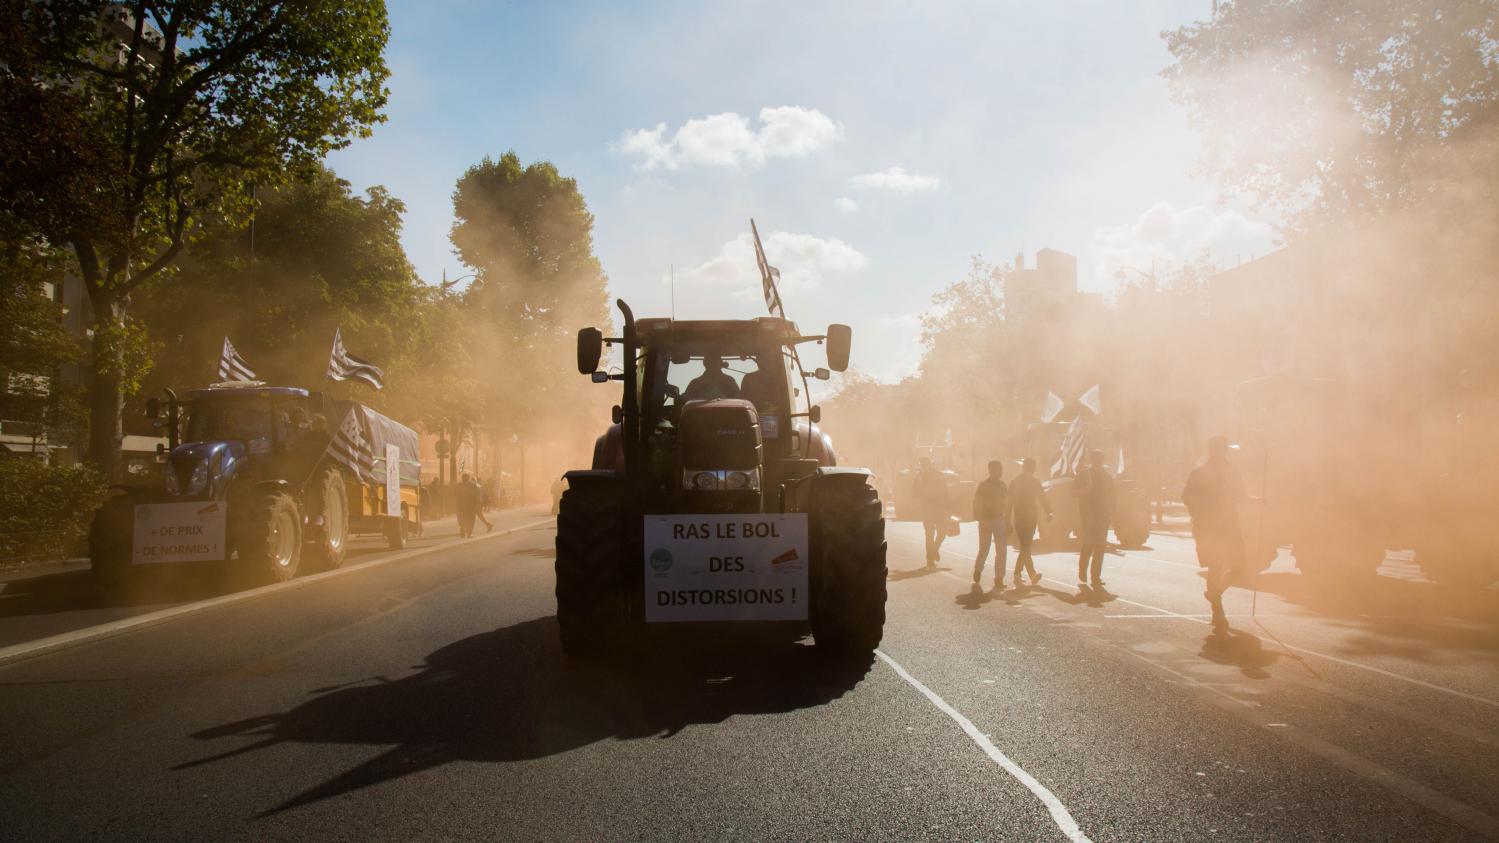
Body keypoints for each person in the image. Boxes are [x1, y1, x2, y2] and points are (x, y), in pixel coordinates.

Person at [1182, 436, 1250, 633]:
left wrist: (1257, 500)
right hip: (1209, 527)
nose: (1221, 452)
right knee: (1215, 567)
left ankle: (1215, 593)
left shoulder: (1232, 472)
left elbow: (1241, 495)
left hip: (1229, 525)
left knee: (1239, 566)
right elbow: (1187, 496)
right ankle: (1217, 611)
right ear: (1212, 450)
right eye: (1218, 448)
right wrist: (1202, 510)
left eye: (1223, 449)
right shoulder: (1200, 473)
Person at [1073, 448, 1116, 589]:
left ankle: (1095, 576)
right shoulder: (1084, 475)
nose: (1098, 462)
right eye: (1096, 459)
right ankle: (1083, 571)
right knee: (1088, 544)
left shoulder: (1107, 477)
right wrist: (1086, 489)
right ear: (1092, 460)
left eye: (1100, 459)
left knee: (1100, 546)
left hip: (1102, 516)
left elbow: (1112, 497)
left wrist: (1111, 513)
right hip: (1088, 516)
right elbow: (1073, 492)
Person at [1007, 458, 1052, 585]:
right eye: (1032, 467)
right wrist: (1007, 520)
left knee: (1026, 546)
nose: (1033, 469)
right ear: (1028, 468)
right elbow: (1009, 502)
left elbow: (1042, 497)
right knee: (1026, 545)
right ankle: (1022, 573)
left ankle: (1027, 573)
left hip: (1031, 518)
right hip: (1021, 517)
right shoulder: (1016, 482)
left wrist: (1049, 511)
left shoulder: (1033, 482)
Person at [971, 460, 1008, 590]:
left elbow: (1006, 503)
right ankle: (978, 570)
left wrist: (1007, 520)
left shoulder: (1003, 485)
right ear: (991, 470)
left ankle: (999, 578)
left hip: (999, 520)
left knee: (1001, 551)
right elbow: (977, 502)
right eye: (999, 469)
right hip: (986, 521)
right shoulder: (984, 486)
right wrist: (979, 518)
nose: (1001, 472)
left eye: (1001, 469)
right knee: (984, 549)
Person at [915, 457, 951, 567]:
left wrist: (948, 506)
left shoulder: (938, 474)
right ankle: (930, 558)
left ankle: (933, 550)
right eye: (924, 464)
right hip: (928, 508)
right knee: (930, 534)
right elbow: (915, 492)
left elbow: (945, 490)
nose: (926, 466)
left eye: (927, 463)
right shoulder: (920, 476)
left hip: (939, 507)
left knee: (942, 532)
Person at [455, 472, 482, 538]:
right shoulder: (473, 485)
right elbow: (477, 495)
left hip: (461, 505)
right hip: (471, 506)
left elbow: (455, 495)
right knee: (471, 519)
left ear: (462, 478)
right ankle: (469, 533)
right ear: (469, 478)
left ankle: (462, 530)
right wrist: (478, 503)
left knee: (462, 518)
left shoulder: (458, 485)